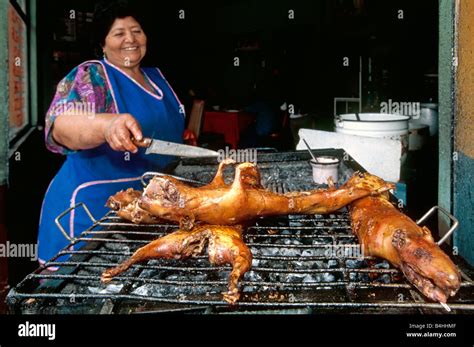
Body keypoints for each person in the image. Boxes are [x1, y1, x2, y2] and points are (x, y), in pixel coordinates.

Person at [38, 2, 184, 263]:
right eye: (119, 33)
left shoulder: (158, 78)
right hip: (91, 212)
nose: (130, 39)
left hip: (144, 212)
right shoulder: (92, 76)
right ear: (103, 43)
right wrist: (106, 126)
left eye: (136, 31)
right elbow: (59, 126)